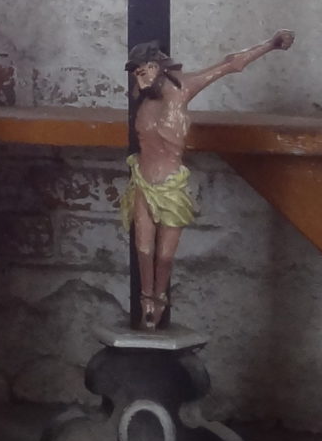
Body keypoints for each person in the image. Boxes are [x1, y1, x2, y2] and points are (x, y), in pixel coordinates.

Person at [123, 30, 293, 330]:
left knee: (164, 255)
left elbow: (229, 64)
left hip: (170, 184)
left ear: (156, 67)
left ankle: (159, 296)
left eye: (143, 72)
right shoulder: (141, 96)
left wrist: (270, 44)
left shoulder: (182, 89)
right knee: (143, 248)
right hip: (143, 180)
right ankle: (146, 297)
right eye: (136, 74)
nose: (140, 79)